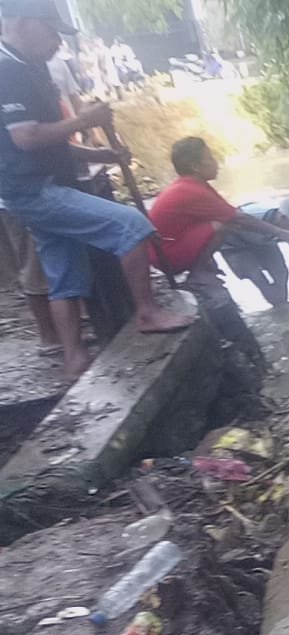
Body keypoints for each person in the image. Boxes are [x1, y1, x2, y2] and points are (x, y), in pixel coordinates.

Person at [0, 0, 193, 379]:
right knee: (131, 226)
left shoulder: (30, 67)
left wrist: (98, 153)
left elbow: (47, 141)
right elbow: (27, 138)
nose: (58, 42)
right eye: (51, 32)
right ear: (22, 24)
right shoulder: (8, 71)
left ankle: (74, 358)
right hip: (36, 191)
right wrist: (84, 120)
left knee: (64, 274)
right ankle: (147, 312)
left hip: (43, 186)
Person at [148, 137, 289, 296]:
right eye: (210, 158)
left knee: (226, 222)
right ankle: (197, 272)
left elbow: (229, 214)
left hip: (163, 251)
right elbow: (238, 217)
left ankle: (202, 268)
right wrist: (280, 232)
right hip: (166, 256)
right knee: (223, 225)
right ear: (195, 167)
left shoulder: (192, 186)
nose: (217, 163)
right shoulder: (191, 190)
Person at [223, 197, 289, 306]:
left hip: (263, 241)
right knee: (255, 275)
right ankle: (279, 305)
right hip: (233, 240)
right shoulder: (252, 213)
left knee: (281, 272)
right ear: (282, 218)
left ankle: (280, 306)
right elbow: (225, 222)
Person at [0, 206, 59, 352]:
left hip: (11, 203)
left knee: (28, 264)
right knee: (34, 266)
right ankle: (50, 337)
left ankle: (52, 335)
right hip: (19, 203)